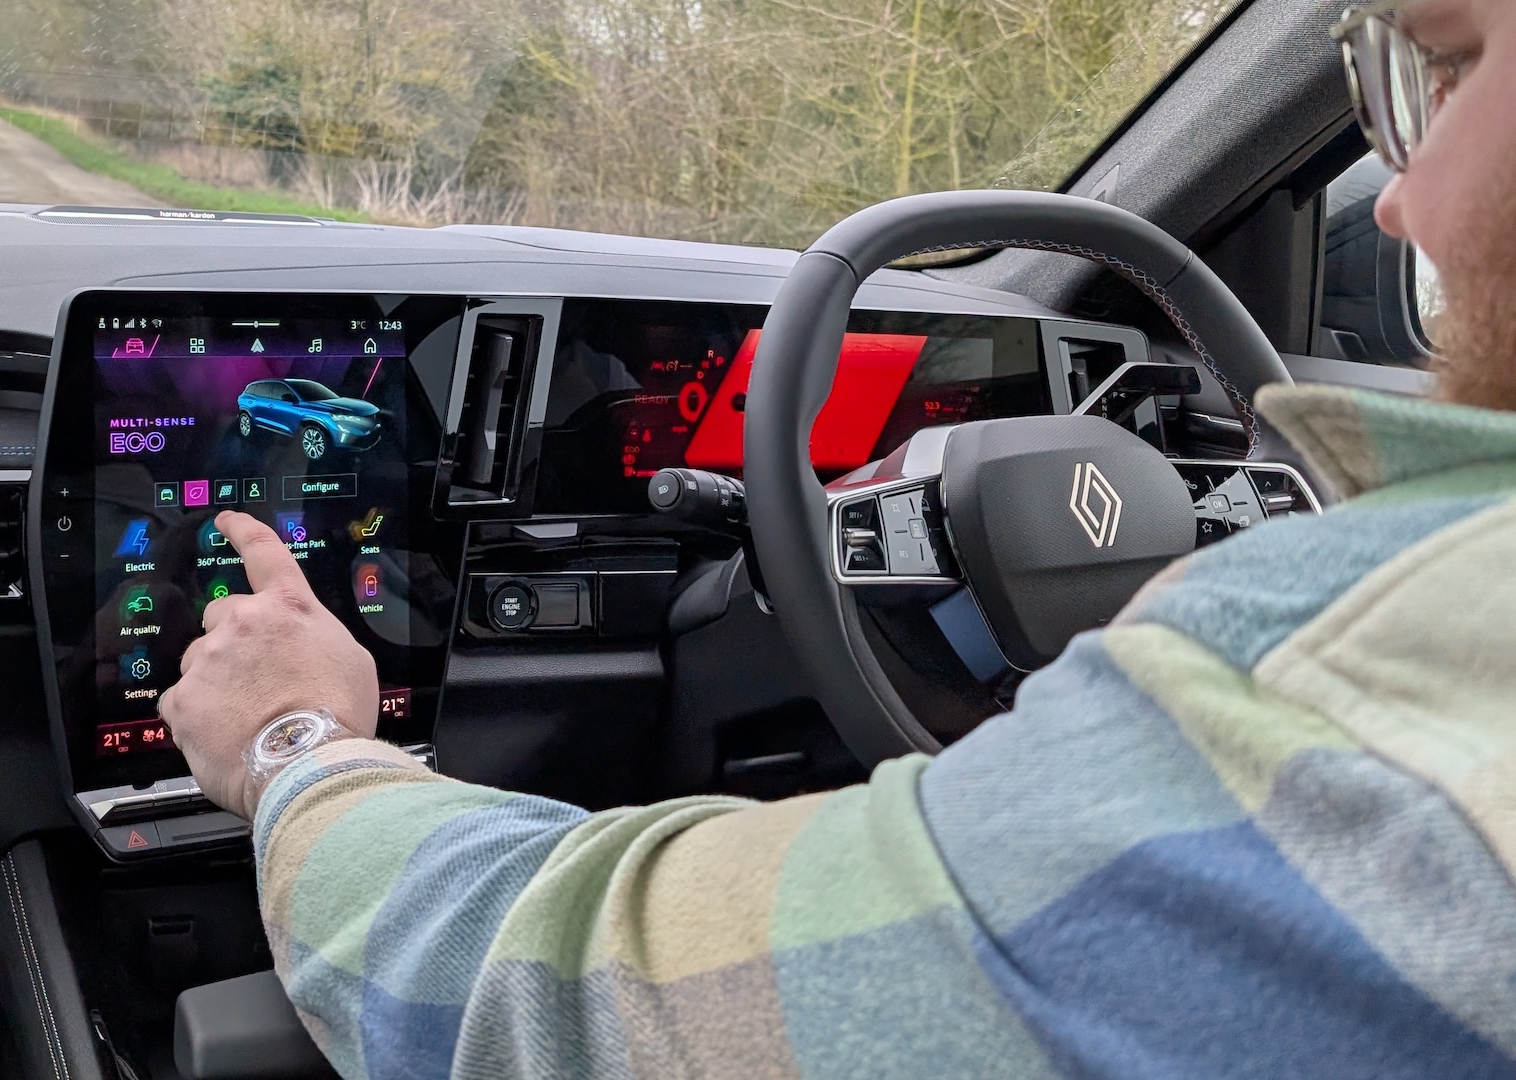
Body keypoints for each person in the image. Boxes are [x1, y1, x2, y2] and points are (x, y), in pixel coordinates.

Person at [159, 2, 1516, 1075]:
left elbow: (564, 999)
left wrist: (294, 744)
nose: (1397, 201)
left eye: (1449, 68)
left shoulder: (1366, 747)